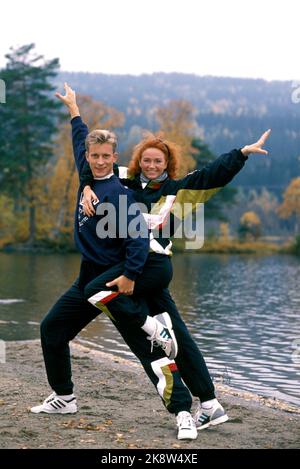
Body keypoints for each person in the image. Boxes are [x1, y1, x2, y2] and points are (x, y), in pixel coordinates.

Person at [76, 84, 271, 431]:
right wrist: (88, 185)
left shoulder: (179, 190)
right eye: (147, 161)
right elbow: (93, 163)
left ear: (168, 164)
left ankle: (152, 329)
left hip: (152, 266)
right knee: (181, 338)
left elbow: (213, 173)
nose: (152, 166)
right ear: (139, 162)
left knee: (99, 291)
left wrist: (241, 153)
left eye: (159, 161)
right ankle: (210, 403)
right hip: (133, 267)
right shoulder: (126, 183)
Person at [31, 85, 199, 441]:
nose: (100, 160)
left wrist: (129, 277)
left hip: (112, 283)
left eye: (107, 156)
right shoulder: (87, 176)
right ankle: (64, 397)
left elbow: (139, 240)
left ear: (115, 155)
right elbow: (79, 140)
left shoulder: (120, 196)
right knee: (51, 330)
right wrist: (74, 108)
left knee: (147, 351)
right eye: (95, 156)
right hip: (87, 280)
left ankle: (183, 411)